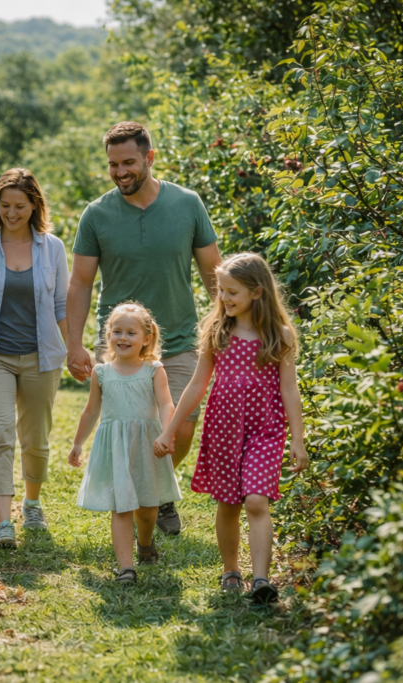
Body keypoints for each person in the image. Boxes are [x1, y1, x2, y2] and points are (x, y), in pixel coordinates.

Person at [66, 121, 223, 537]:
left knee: (183, 424)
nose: (121, 172)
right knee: (130, 427)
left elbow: (213, 271)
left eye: (129, 162)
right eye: (113, 164)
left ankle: (157, 493)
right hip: (121, 347)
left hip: (180, 338)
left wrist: (225, 324)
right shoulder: (96, 214)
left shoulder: (187, 204)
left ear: (149, 158)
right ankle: (144, 499)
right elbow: (80, 282)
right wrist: (75, 344)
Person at [160, 252, 308, 603]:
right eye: (221, 291)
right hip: (224, 428)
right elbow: (197, 385)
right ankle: (231, 570)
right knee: (228, 504)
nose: (224, 298)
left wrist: (297, 440)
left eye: (232, 292)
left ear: (257, 293)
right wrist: (170, 429)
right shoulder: (217, 331)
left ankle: (261, 579)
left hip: (266, 430)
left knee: (256, 500)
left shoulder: (279, 335)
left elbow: (289, 389)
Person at [0, 168, 70, 549]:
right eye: (5, 206)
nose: (12, 213)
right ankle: (3, 524)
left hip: (42, 357)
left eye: (19, 206)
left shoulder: (52, 247)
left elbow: (61, 305)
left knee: (36, 440)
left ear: (34, 205)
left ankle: (32, 503)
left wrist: (76, 349)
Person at [68, 302, 181, 584]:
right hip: (115, 447)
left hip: (147, 444)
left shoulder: (154, 369)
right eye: (116, 331)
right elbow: (91, 410)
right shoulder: (102, 373)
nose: (123, 337)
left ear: (146, 338)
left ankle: (145, 544)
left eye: (131, 333)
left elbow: (166, 403)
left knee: (147, 507)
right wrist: (78, 443)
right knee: (121, 506)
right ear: (108, 336)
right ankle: (126, 567)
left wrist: (167, 432)